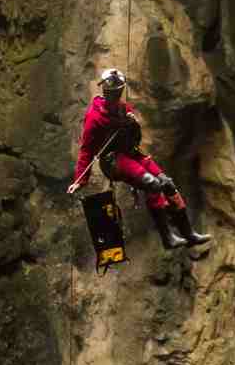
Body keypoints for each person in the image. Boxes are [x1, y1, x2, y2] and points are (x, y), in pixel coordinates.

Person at [67, 67, 211, 251]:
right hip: (113, 161)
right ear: (106, 92)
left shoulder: (123, 109)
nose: (116, 95)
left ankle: (189, 234)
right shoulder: (94, 117)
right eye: (113, 92)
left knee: (167, 183)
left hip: (132, 154)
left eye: (118, 91)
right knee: (152, 184)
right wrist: (80, 180)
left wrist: (132, 124)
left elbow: (135, 138)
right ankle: (168, 238)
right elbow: (86, 149)